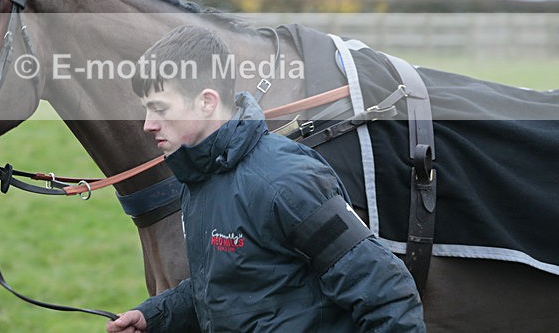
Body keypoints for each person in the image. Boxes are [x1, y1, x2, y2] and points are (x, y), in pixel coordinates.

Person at [107, 25, 424, 332]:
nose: (148, 124)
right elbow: (226, 283)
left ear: (206, 102)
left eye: (160, 109)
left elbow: (386, 291)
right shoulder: (200, 181)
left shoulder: (286, 181)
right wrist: (156, 316)